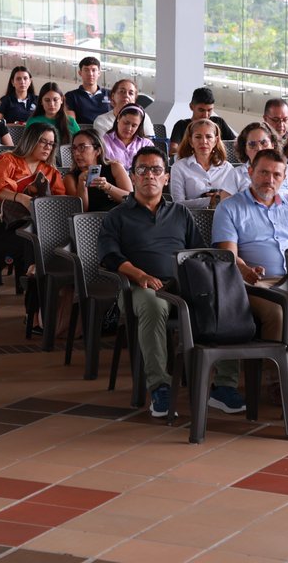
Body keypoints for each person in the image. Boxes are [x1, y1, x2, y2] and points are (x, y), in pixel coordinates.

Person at [100, 147, 246, 417]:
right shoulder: (117, 215)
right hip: (139, 287)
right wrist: (139, 274)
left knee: (225, 300)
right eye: (142, 170)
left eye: (156, 170)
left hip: (182, 285)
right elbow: (109, 257)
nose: (149, 176)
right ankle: (160, 387)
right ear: (133, 176)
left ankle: (224, 386)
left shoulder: (180, 213)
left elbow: (198, 251)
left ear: (166, 177)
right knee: (154, 307)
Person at [212, 149, 288, 403]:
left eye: (276, 175)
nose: (269, 180)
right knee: (278, 312)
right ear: (250, 172)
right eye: (263, 172)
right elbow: (227, 255)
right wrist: (245, 269)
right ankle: (278, 381)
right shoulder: (229, 207)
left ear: (284, 179)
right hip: (252, 283)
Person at [0, 122, 67, 218]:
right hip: (4, 217)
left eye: (51, 144)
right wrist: (22, 198)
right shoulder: (7, 160)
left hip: (39, 218)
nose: (48, 147)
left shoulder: (50, 170)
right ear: (31, 140)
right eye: (43, 141)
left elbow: (59, 198)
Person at [219, 122, 288, 198]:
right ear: (245, 149)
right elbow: (225, 208)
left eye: (263, 143)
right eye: (252, 145)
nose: (259, 149)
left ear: (273, 145)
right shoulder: (235, 175)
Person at [169, 118, 232, 208]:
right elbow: (177, 204)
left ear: (216, 141)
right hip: (191, 219)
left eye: (209, 137)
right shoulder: (179, 167)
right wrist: (209, 201)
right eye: (198, 137)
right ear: (191, 141)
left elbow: (235, 200)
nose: (203, 141)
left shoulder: (227, 168)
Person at [63, 129, 132, 212]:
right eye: (74, 148)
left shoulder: (114, 167)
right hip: (91, 222)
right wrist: (82, 183)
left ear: (97, 151)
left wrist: (107, 187)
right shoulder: (71, 177)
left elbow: (131, 200)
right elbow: (80, 212)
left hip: (120, 218)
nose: (76, 153)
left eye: (82, 147)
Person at [168, 87, 235, 156]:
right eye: (201, 110)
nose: (205, 115)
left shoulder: (219, 122)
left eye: (209, 110)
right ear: (191, 107)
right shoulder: (181, 125)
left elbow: (236, 143)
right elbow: (173, 149)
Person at [25, 81, 79, 147]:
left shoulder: (70, 121)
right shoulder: (33, 122)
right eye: (47, 100)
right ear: (41, 102)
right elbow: (26, 146)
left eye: (55, 100)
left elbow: (80, 143)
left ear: (61, 100)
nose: (51, 104)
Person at [64, 56, 112, 125]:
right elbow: (71, 123)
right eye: (86, 70)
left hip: (107, 132)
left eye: (93, 70)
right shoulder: (71, 96)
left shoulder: (110, 94)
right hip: (83, 132)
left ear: (99, 73)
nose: (90, 74)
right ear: (80, 73)